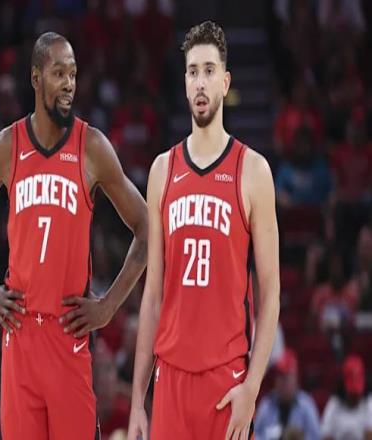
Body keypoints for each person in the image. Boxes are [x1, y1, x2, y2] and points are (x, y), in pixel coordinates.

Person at [0, 32, 148, 439]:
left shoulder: (91, 146)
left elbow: (147, 227)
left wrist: (109, 306)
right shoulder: (8, 146)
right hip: (19, 335)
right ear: (36, 78)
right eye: (59, 73)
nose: (69, 84)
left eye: (73, 74)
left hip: (68, 334)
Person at [128, 21, 280, 440]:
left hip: (226, 383)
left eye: (209, 71)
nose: (200, 81)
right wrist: (138, 400)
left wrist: (252, 387)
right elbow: (153, 295)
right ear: (184, 83)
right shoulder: (162, 170)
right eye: (193, 71)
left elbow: (271, 293)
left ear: (225, 82)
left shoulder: (253, 171)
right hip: (171, 380)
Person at [255, 349, 320, 440]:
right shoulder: (267, 404)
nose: (282, 382)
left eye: (286, 377)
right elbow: (255, 435)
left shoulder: (306, 405)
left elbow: (316, 436)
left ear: (295, 378)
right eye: (279, 377)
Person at [321, 354, 372, 440]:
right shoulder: (334, 403)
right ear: (343, 385)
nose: (355, 397)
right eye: (352, 394)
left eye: (357, 393)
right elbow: (326, 435)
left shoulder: (369, 402)